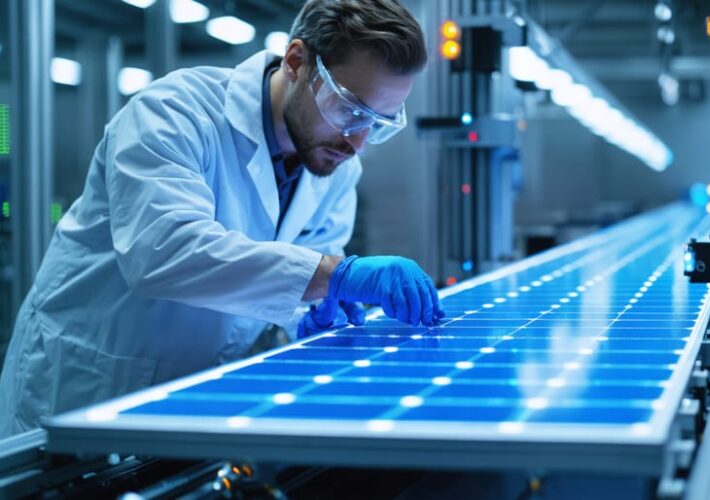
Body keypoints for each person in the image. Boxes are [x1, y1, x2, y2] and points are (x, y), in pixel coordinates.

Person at [0, 0, 443, 438]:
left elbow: (297, 283)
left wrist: (310, 316)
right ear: (296, 62)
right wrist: (334, 275)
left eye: (378, 124)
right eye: (349, 109)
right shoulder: (173, 112)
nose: (358, 142)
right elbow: (164, 252)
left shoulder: (335, 167)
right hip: (90, 386)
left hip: (202, 397)